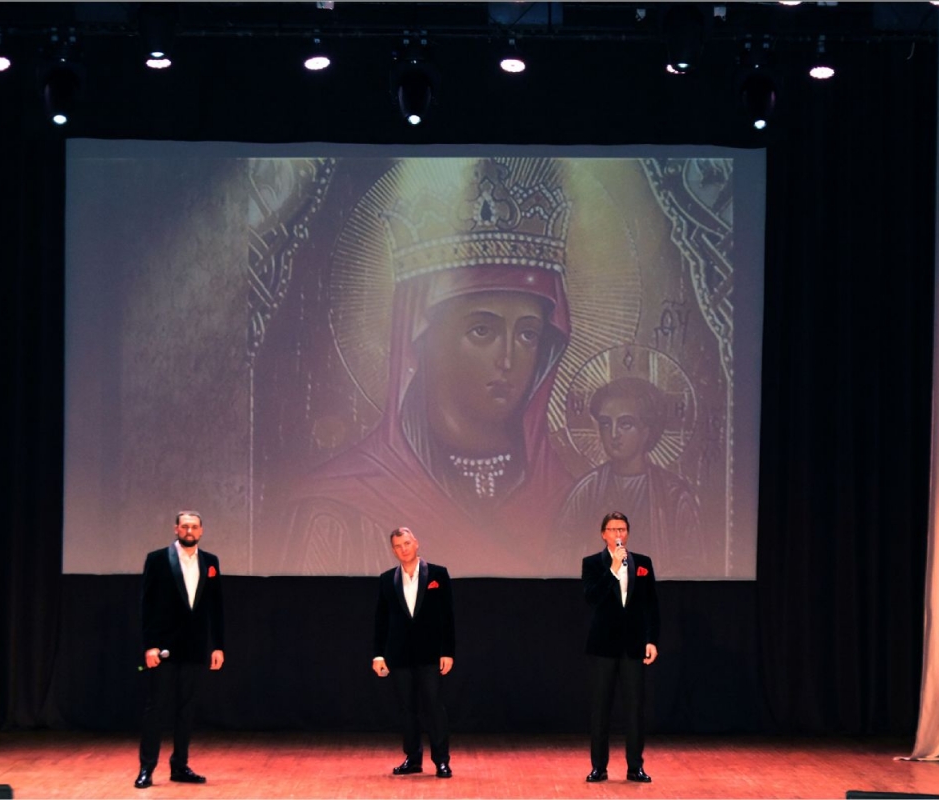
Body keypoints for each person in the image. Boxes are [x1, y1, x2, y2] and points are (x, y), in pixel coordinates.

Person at [283, 158, 575, 577]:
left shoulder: (569, 499)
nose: (509, 359)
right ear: (422, 340)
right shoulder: (338, 508)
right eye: (482, 330)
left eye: (528, 334)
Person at [557, 377, 709, 575]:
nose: (613, 434)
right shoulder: (587, 491)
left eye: (625, 424)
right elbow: (559, 555)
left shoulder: (674, 496)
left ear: (647, 431)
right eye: (605, 424)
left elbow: (693, 564)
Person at [135, 511, 226, 789]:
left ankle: (180, 766)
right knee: (156, 708)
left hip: (195, 646)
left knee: (186, 709)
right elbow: (147, 605)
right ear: (176, 529)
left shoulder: (210, 562)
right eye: (185, 526)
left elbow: (215, 607)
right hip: (164, 647)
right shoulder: (157, 559)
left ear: (201, 531)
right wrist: (150, 645)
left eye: (194, 527)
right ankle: (146, 768)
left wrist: (218, 646)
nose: (189, 531)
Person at [581, 511, 659, 784]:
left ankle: (635, 767)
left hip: (633, 646)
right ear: (603, 534)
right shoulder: (592, 563)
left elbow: (651, 605)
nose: (618, 534)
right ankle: (598, 767)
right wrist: (613, 569)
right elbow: (592, 598)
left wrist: (651, 640)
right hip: (603, 646)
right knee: (600, 709)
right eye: (613, 529)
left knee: (635, 709)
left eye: (622, 529)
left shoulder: (643, 563)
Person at [372, 527, 456, 778]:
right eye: (398, 546)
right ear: (393, 550)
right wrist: (378, 655)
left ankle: (441, 761)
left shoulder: (438, 574)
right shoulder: (387, 579)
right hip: (398, 655)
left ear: (416, 543)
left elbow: (447, 616)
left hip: (430, 654)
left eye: (407, 543)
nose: (404, 549)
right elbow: (381, 620)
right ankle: (413, 758)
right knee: (407, 709)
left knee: (433, 707)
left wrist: (448, 651)